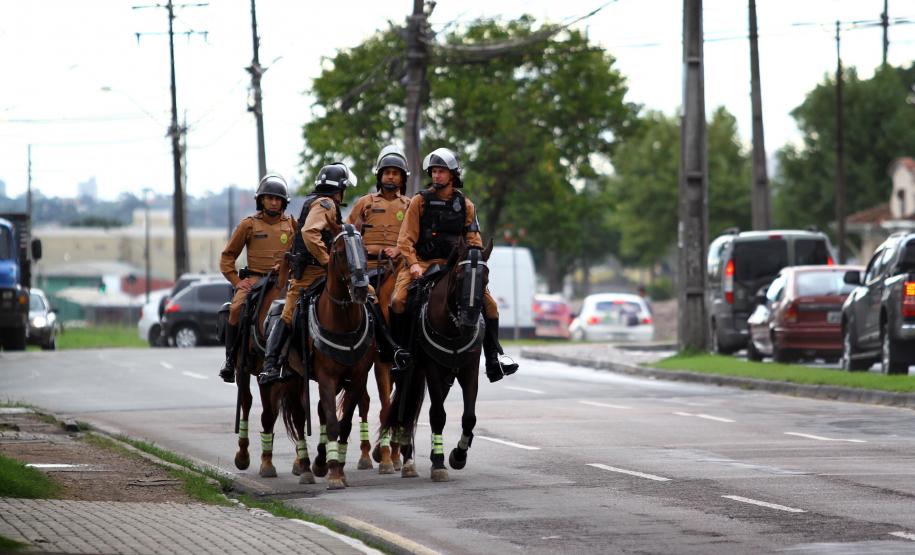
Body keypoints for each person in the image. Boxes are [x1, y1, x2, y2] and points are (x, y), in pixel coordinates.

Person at [390, 147, 519, 382]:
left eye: (441, 171)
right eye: (434, 171)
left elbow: (473, 239)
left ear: (453, 174)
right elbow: (405, 239)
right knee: (398, 300)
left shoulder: (466, 205)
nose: (436, 175)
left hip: (456, 267)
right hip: (422, 264)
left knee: (490, 306)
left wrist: (474, 260)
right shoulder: (419, 201)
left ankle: (494, 360)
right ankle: (400, 353)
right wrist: (413, 264)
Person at [218, 173, 296, 383]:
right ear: (261, 200)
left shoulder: (291, 224)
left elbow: (299, 252)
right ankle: (230, 361)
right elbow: (227, 257)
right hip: (255, 280)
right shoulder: (248, 224)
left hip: (284, 280)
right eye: (269, 197)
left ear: (283, 202)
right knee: (235, 309)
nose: (273, 202)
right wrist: (236, 281)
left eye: (277, 198)